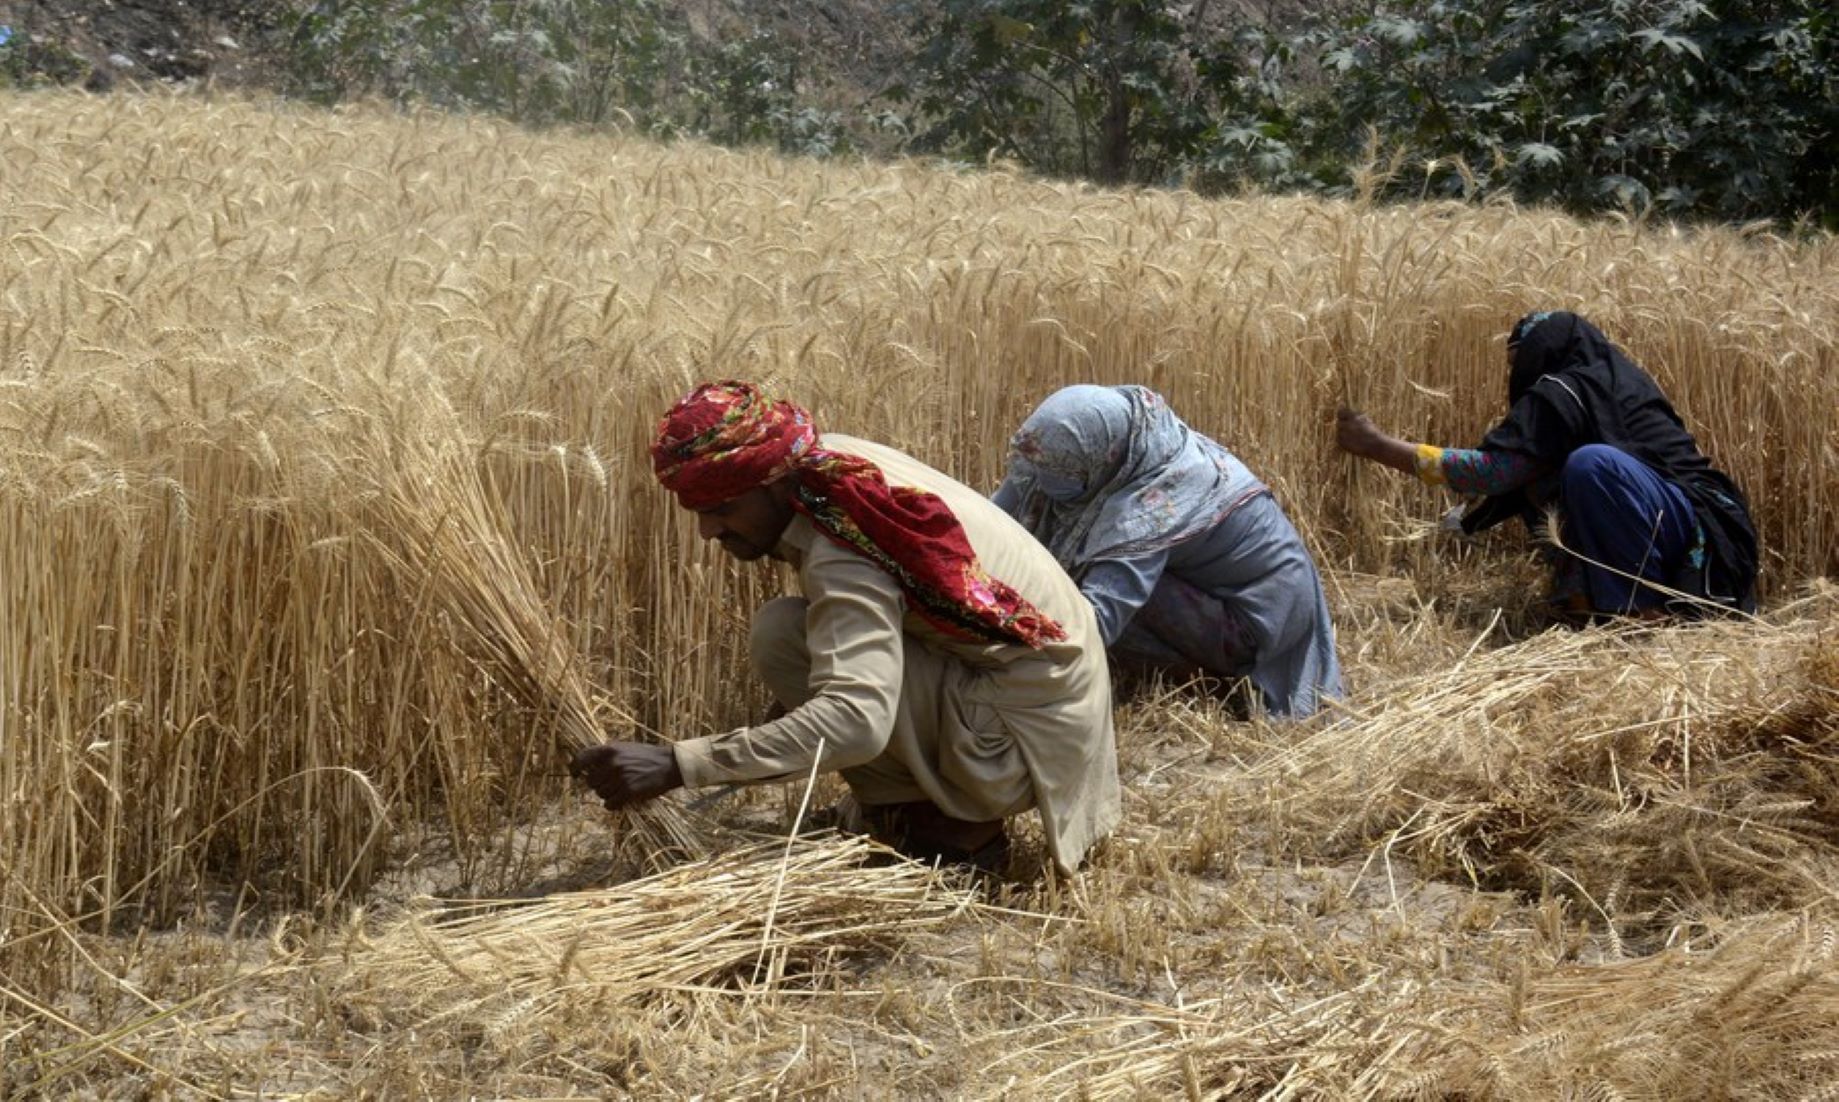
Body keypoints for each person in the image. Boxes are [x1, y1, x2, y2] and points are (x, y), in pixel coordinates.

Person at [570, 381, 1121, 874]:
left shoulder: (843, 545)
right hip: (1047, 692)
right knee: (794, 633)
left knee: (785, 639)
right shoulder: (830, 466)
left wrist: (678, 764)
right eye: (695, 508)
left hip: (1031, 736)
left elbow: (857, 722)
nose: (707, 531)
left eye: (723, 507)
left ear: (771, 483)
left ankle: (956, 831)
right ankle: (909, 805)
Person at [1335, 309, 1758, 619]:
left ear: (1544, 353)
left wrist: (1378, 447)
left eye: (1518, 361)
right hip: (1699, 521)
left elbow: (1495, 473)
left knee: (1592, 467)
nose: (1515, 374)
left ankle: (1640, 612)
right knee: (1555, 480)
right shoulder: (1606, 383)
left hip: (1697, 532)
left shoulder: (1567, 390)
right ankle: (1595, 606)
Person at [991, 384, 1343, 719]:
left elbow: (1095, 622)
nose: (1043, 484)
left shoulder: (1151, 508)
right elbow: (998, 516)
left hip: (1261, 621)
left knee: (1086, 592)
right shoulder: (1118, 446)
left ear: (1100, 460)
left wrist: (1005, 657)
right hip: (1208, 585)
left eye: (1062, 477)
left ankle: (1218, 685)